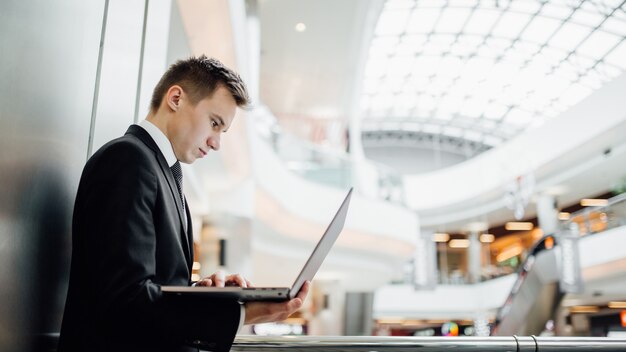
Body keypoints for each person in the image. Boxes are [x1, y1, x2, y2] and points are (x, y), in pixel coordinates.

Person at [58, 56, 309, 352]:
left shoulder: (159, 170)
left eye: (222, 131)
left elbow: (147, 287)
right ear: (176, 98)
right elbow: (125, 301)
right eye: (214, 124)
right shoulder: (128, 160)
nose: (216, 143)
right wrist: (241, 313)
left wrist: (198, 295)